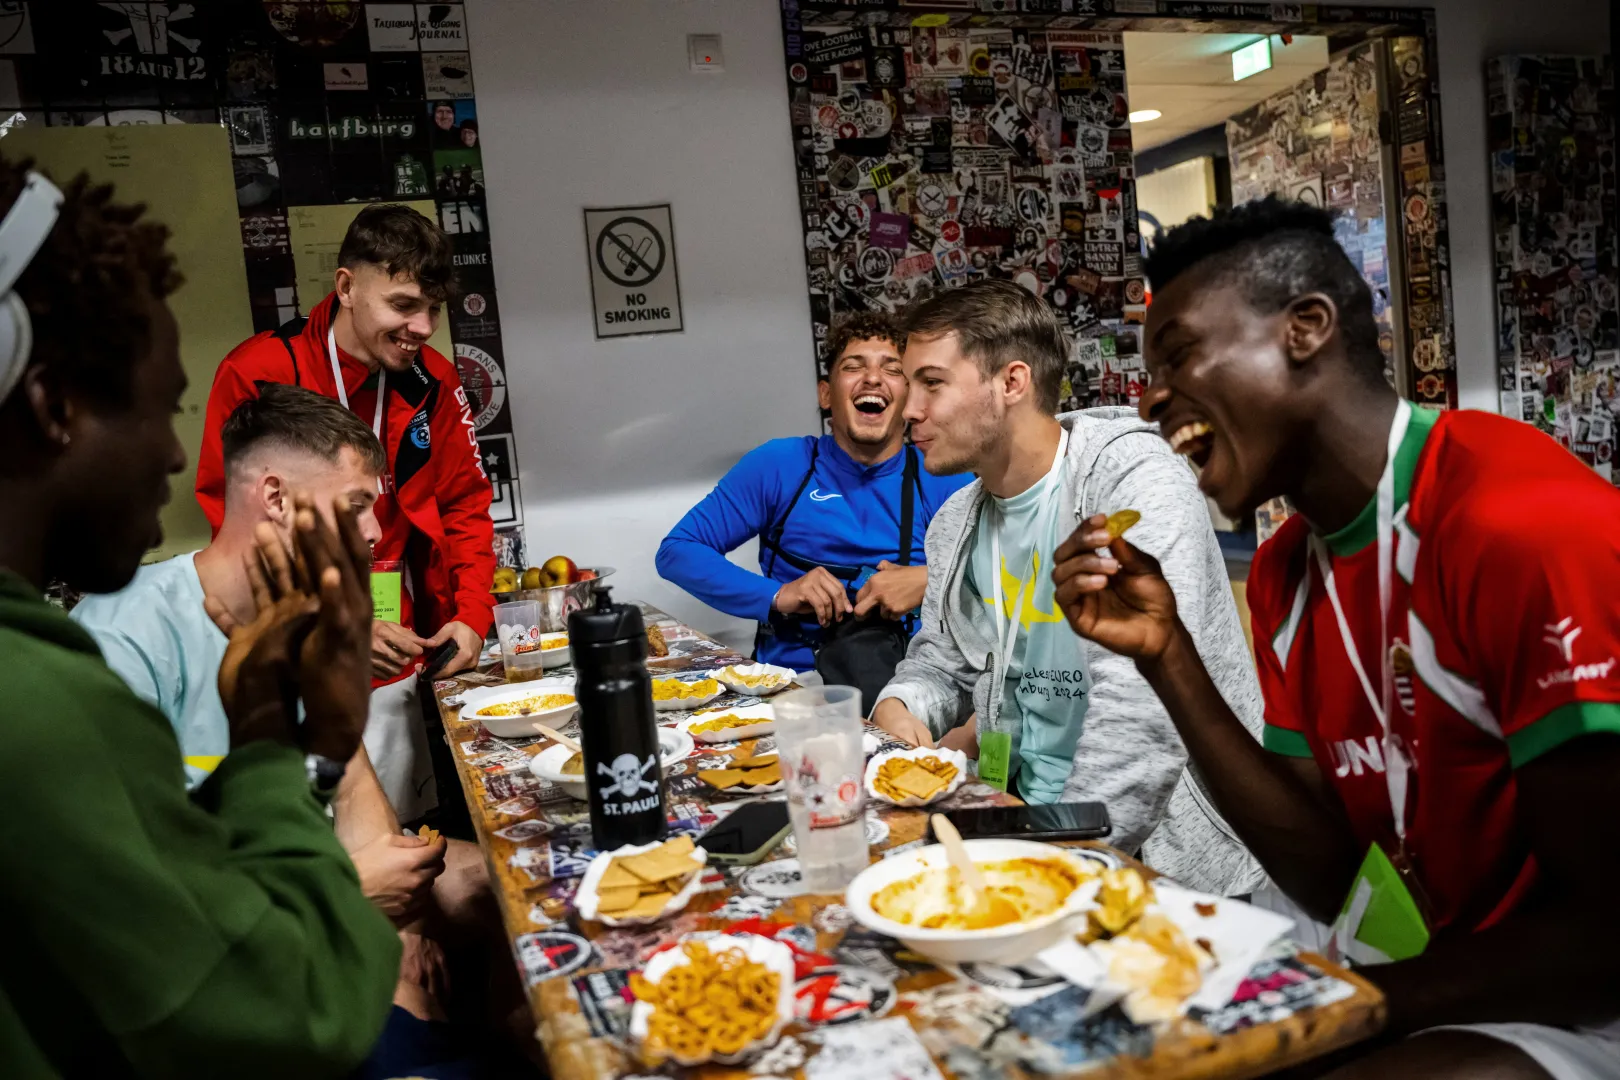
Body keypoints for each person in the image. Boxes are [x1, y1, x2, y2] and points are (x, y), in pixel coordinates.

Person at [1053, 197, 1620, 1077]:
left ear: (1306, 328)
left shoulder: (1517, 525)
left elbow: (1604, 937)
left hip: (1577, 1009)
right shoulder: (1284, 570)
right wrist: (1168, 657)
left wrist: (1338, 1011)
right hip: (1429, 977)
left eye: (1178, 355)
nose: (1151, 395)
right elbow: (1331, 878)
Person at [0, 161, 397, 1074]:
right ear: (53, 405)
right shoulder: (38, 699)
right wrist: (292, 749)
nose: (180, 456)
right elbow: (289, 1014)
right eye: (165, 408)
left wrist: (267, 726)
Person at [872, 279, 1264, 896]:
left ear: (1011, 382)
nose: (908, 409)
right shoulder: (955, 521)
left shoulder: (1133, 483)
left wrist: (1056, 861)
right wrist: (903, 704)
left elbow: (1144, 711)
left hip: (1160, 854)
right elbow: (946, 657)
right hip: (1020, 811)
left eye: (932, 383)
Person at [196, 203, 496, 821]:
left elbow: (465, 504)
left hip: (409, 657)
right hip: (298, 665)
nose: (423, 326)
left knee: (418, 842)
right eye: (405, 304)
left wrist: (471, 616)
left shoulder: (432, 380)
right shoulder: (258, 374)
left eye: (433, 310)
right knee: (333, 854)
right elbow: (235, 534)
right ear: (346, 287)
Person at [656, 311, 971, 682]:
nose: (873, 378)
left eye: (892, 369)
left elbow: (1010, 581)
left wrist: (929, 581)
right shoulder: (781, 466)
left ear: (910, 396)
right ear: (826, 394)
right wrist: (777, 596)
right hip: (795, 688)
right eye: (854, 367)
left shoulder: (943, 475)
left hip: (912, 688)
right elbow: (677, 551)